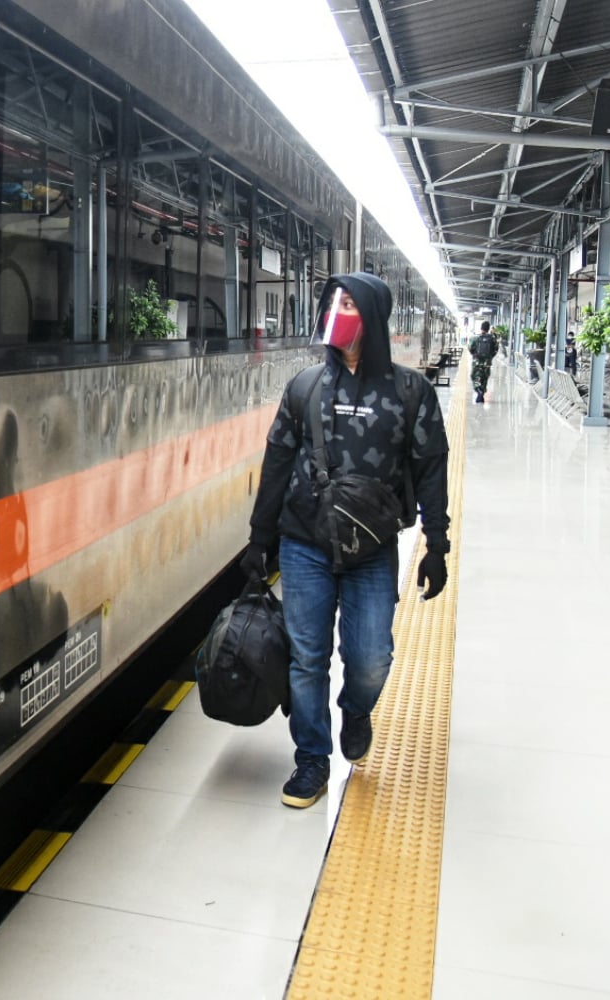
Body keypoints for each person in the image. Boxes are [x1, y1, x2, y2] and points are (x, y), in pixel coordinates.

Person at [240, 273, 451, 809]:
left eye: (350, 303)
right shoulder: (306, 386)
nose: (338, 310)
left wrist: (436, 543)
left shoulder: (411, 392)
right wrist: (259, 539)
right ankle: (312, 758)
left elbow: (431, 467)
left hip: (372, 549)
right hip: (304, 544)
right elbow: (277, 462)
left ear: (373, 316)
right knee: (307, 657)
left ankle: (356, 709)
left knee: (371, 657)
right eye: (333, 301)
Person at [466, 319, 499, 402]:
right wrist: (490, 357)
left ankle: (478, 390)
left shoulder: (475, 338)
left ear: (481, 328)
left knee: (475, 377)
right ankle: (482, 393)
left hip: (476, 362)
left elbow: (470, 348)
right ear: (488, 328)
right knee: (484, 378)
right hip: (487, 363)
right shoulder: (492, 338)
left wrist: (474, 355)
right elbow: (496, 350)